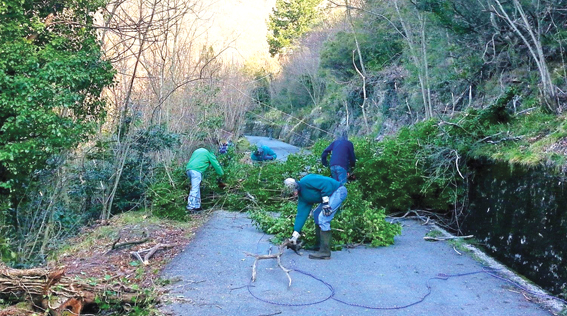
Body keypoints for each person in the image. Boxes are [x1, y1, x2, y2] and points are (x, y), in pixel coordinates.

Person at [283, 174, 347, 260]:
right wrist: (294, 236)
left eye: (294, 191)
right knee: (316, 214)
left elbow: (326, 184)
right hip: (331, 195)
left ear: (296, 186)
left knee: (323, 219)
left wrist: (325, 202)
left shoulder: (307, 180)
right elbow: (301, 215)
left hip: (338, 191)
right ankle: (319, 245)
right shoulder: (303, 198)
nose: (294, 194)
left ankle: (325, 252)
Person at [185, 147, 224, 213]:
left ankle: (197, 206)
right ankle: (190, 207)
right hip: (196, 171)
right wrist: (221, 174)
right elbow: (216, 165)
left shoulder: (196, 151)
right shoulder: (208, 154)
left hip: (188, 169)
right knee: (195, 188)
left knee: (196, 187)